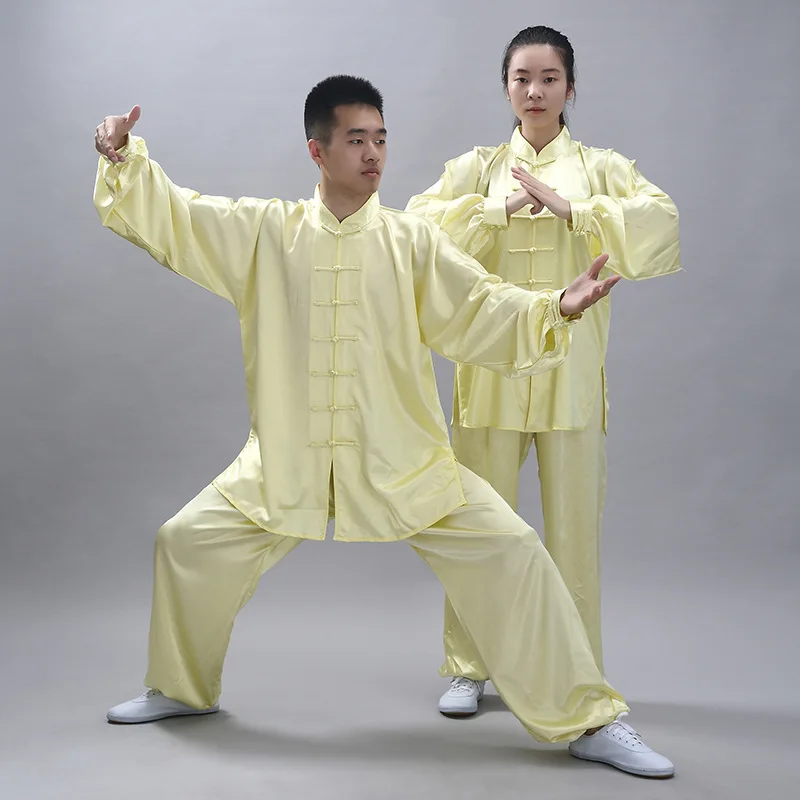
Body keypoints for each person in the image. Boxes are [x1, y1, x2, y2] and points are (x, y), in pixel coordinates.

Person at [93, 74, 674, 778]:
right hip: (286, 463)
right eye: (356, 140)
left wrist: (556, 306)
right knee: (186, 542)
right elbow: (178, 217)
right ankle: (181, 689)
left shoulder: (411, 242)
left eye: (381, 139)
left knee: (516, 552)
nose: (373, 154)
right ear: (317, 151)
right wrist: (124, 159)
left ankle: (590, 720)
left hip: (407, 464)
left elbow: (481, 308)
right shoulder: (265, 232)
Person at [406, 26, 681, 716]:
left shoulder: (600, 168)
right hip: (489, 371)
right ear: (505, 87)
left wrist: (576, 209)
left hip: (571, 375)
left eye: (549, 78)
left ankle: (574, 672)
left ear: (570, 88)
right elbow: (413, 233)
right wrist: (497, 210)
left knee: (573, 535)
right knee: (477, 529)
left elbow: (661, 221)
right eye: (522, 78)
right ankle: (470, 664)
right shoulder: (476, 169)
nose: (535, 91)